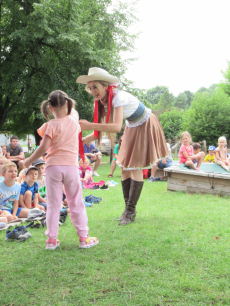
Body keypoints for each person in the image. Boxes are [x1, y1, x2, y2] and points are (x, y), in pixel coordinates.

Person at [77, 67, 168, 225]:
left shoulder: (118, 98)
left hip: (145, 123)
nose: (93, 91)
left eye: (95, 87)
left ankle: (130, 212)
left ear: (105, 86)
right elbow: (99, 132)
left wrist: (89, 124)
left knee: (134, 167)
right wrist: (83, 139)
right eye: (90, 88)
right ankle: (127, 209)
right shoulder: (101, 103)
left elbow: (116, 127)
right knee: (124, 167)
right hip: (132, 125)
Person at [22, 90, 98, 250]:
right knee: (76, 202)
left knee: (54, 204)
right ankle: (84, 238)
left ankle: (51, 240)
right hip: (71, 167)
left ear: (49, 108)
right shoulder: (74, 120)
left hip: (53, 168)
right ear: (68, 103)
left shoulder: (50, 125)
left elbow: (43, 147)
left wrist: (29, 160)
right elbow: (74, 111)